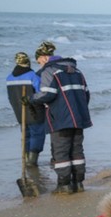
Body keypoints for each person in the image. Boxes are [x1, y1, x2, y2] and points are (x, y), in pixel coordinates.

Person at [31, 40, 91, 194]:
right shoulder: (76, 71)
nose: (39, 65)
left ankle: (64, 186)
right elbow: (86, 94)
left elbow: (47, 94)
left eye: (38, 62)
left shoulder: (49, 71)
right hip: (79, 119)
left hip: (61, 119)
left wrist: (31, 99)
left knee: (61, 152)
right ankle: (78, 183)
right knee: (77, 150)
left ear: (44, 58)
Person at [6, 51, 47, 167]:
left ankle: (27, 158)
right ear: (27, 62)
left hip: (19, 112)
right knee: (37, 134)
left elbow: (10, 97)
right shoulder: (33, 76)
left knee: (25, 135)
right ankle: (32, 161)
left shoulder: (9, 78)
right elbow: (41, 94)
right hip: (35, 111)